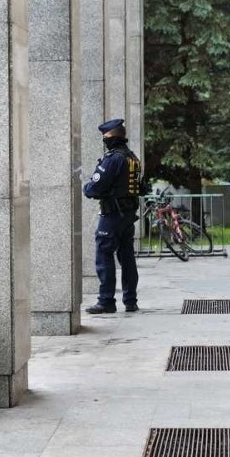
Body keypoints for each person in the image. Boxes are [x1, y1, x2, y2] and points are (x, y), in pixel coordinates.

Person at [83, 119, 145, 314]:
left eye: (105, 137)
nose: (104, 141)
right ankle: (130, 300)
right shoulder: (132, 157)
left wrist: (87, 188)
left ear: (111, 137)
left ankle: (106, 300)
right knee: (127, 257)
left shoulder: (113, 159)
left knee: (104, 254)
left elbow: (94, 188)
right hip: (128, 214)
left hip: (112, 214)